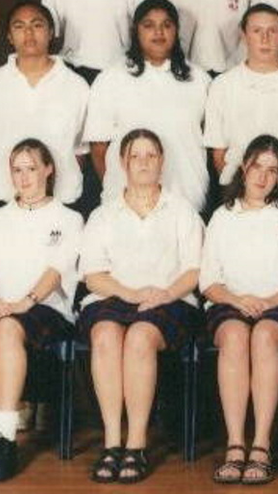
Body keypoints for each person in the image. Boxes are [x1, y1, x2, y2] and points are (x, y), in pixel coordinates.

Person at [78, 129, 205, 484]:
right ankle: (111, 443)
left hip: (170, 300)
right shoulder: (104, 215)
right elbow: (93, 276)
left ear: (162, 162)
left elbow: (194, 270)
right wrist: (130, 293)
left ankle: (136, 444)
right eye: (136, 156)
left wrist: (164, 294)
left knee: (138, 338)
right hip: (115, 296)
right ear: (123, 163)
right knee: (104, 335)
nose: (144, 162)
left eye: (152, 155)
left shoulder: (182, 211)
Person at [0, 139, 83, 482]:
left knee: (10, 328)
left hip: (41, 307)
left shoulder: (68, 218)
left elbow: (56, 270)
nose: (24, 177)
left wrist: (22, 303)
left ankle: (7, 440)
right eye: (17, 170)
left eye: (31, 168)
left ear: (48, 169)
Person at [200, 135, 278, 485]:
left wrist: (269, 302)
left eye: (273, 170)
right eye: (257, 167)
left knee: (265, 334)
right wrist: (239, 301)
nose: (263, 177)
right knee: (236, 336)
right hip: (232, 304)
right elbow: (209, 282)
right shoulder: (224, 215)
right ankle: (235, 444)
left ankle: (261, 444)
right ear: (243, 167)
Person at [84, 0, 210, 213]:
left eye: (166, 25)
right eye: (149, 25)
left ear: (177, 31)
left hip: (187, 200)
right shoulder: (111, 78)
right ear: (136, 30)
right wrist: (120, 189)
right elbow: (98, 147)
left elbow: (212, 141)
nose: (158, 33)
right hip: (125, 205)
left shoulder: (199, 79)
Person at [0, 0, 90, 209]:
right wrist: (4, 187)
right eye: (19, 26)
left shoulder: (76, 86)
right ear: (9, 36)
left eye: (37, 25)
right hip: (4, 203)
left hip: (60, 204)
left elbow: (79, 151)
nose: (29, 34)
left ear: (51, 32)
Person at [204, 4, 278, 198]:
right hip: (238, 187)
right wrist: (240, 192)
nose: (264, 38)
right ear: (244, 36)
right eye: (257, 31)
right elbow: (219, 153)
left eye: (272, 31)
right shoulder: (222, 85)